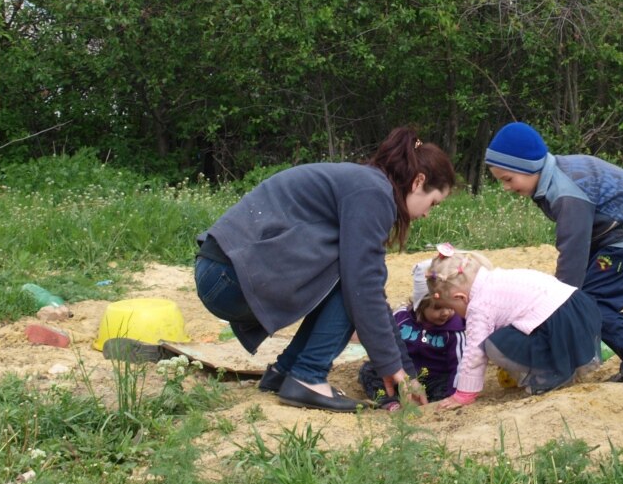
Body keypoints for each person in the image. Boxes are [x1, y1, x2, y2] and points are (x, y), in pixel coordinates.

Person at [194, 127, 455, 412]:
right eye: (433, 202)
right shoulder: (374, 193)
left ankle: (287, 372)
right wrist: (393, 367)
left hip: (219, 272)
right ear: (418, 181)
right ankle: (308, 376)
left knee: (353, 275)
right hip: (230, 276)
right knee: (354, 282)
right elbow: (363, 290)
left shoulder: (365, 185)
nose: (428, 213)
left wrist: (404, 369)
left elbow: (369, 289)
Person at [483, 122, 623, 383]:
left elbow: (573, 249)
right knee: (583, 297)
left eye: (508, 179)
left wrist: (556, 307)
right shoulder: (552, 175)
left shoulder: (566, 192)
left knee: (591, 303)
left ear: (529, 166)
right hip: (615, 233)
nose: (506, 187)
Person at [425, 246, 602, 408]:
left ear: (460, 298)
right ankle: (571, 365)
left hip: (559, 324)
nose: (455, 314)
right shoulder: (498, 277)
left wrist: (464, 394)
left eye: (453, 309)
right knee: (514, 335)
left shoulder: (479, 305)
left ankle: (552, 374)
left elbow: (475, 353)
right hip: (580, 309)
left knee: (492, 346)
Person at [357, 258, 466, 409]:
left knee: (446, 386)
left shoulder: (454, 331)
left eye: (450, 306)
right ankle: (389, 402)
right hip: (401, 375)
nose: (446, 313)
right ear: (420, 306)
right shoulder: (401, 318)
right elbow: (385, 343)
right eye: (438, 308)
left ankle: (428, 405)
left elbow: (460, 365)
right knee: (368, 371)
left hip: (434, 378)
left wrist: (454, 394)